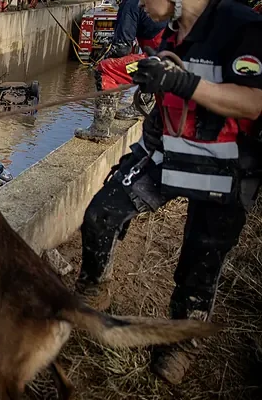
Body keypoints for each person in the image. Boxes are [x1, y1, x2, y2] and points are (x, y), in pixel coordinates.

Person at [73, 0, 262, 385]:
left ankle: (181, 344)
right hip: (166, 151)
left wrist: (182, 82)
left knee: (201, 261)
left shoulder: (241, 26)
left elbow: (253, 102)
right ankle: (94, 289)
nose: (139, 2)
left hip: (225, 167)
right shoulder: (170, 35)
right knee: (101, 214)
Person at [75, 0, 168, 139]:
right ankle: (143, 102)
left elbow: (121, 48)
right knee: (137, 62)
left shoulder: (130, 4)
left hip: (158, 62)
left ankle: (100, 129)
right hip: (170, 58)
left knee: (106, 68)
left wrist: (106, 57)